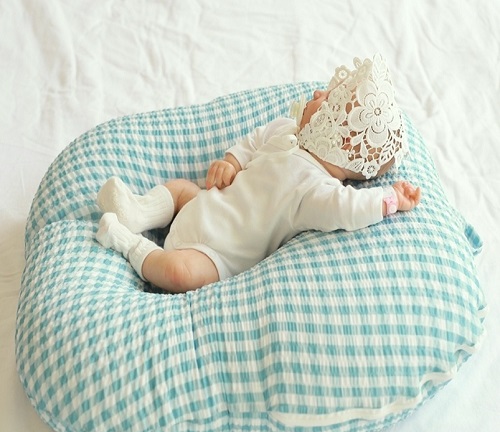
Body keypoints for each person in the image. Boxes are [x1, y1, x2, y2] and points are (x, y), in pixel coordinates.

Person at [96, 53, 421, 293]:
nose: (317, 94)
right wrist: (231, 162)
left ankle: (126, 242)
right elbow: (252, 142)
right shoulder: (286, 129)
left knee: (179, 273)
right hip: (205, 202)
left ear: (340, 136)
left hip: (216, 254)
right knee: (181, 189)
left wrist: (390, 198)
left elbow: (348, 208)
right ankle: (136, 212)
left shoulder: (316, 190)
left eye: (327, 100)